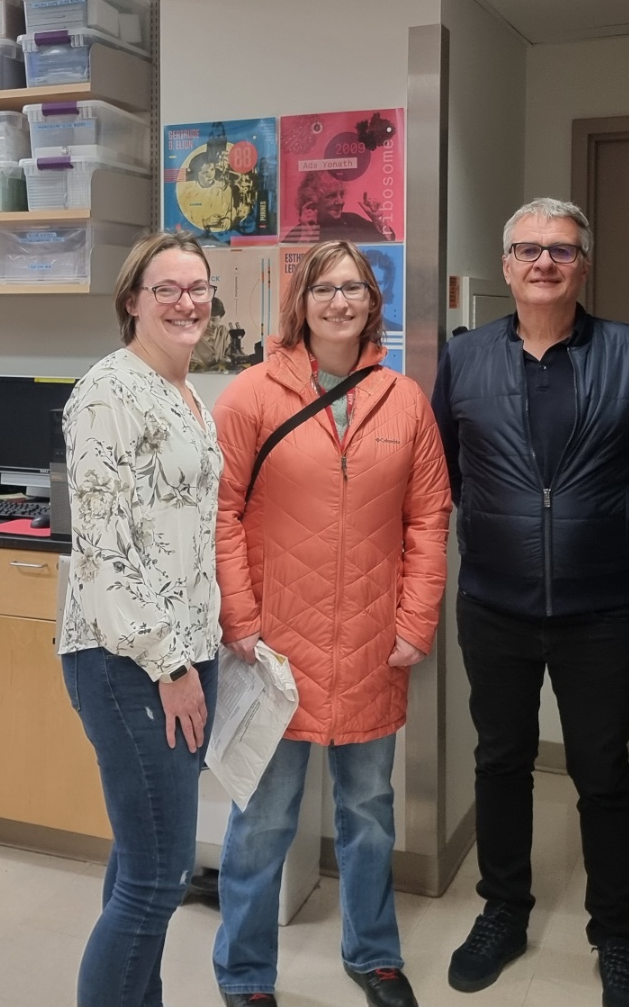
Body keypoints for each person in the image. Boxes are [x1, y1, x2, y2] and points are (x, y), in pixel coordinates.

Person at [432, 199, 629, 1007]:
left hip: (599, 609)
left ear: (584, 265)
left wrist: (599, 532)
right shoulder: (463, 360)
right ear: (505, 265)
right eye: (528, 250)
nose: (544, 262)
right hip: (493, 604)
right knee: (499, 761)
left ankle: (617, 938)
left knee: (603, 772)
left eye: (562, 251)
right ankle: (503, 910)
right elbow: (451, 474)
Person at [212, 240, 451, 1007]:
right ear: (301, 301)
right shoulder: (250, 395)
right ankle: (246, 973)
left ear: (371, 302)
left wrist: (417, 619)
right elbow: (218, 515)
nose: (340, 302)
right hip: (274, 650)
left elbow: (429, 518)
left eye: (354, 288)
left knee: (368, 817)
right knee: (262, 822)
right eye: (325, 288)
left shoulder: (404, 400)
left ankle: (374, 954)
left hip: (371, 649)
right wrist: (240, 620)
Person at [59, 232, 227, 1007]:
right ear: (133, 300)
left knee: (139, 861)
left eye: (197, 288)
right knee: (158, 880)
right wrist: (171, 666)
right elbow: (105, 551)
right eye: (168, 289)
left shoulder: (189, 393)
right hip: (132, 660)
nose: (187, 302)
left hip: (187, 649)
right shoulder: (107, 394)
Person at [285, 170, 394, 243]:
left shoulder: (352, 220)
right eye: (331, 196)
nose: (340, 201)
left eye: (341, 194)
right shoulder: (299, 233)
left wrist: (378, 220)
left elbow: (387, 244)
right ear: (311, 202)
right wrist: (306, 237)